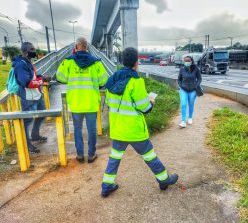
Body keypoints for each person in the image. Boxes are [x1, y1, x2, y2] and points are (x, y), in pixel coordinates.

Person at [101, 47, 178, 198]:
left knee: (114, 158)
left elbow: (109, 103)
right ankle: (163, 180)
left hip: (118, 129)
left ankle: (106, 185)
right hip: (135, 130)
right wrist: (151, 102)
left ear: (123, 61)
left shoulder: (111, 81)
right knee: (149, 156)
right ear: (136, 63)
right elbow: (145, 108)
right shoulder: (136, 82)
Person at [56, 37, 108, 163]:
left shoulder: (68, 61)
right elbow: (104, 80)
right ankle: (91, 154)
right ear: (87, 47)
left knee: (77, 129)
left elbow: (60, 77)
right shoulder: (96, 62)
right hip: (91, 102)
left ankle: (79, 155)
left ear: (76, 47)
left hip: (75, 103)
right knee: (92, 129)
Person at [13, 42, 48, 154]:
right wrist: (42, 80)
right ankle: (27, 144)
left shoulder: (28, 62)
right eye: (32, 49)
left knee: (42, 115)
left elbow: (32, 76)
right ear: (25, 51)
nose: (34, 51)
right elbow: (27, 83)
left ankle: (35, 135)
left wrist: (40, 77)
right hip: (28, 98)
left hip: (37, 95)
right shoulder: (20, 65)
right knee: (27, 122)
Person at [177, 56, 202, 128]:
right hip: (183, 90)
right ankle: (183, 121)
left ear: (191, 61)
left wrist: (196, 85)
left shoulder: (196, 69)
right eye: (185, 61)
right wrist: (181, 85)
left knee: (191, 104)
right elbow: (179, 79)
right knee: (183, 104)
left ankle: (190, 117)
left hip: (193, 90)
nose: (187, 62)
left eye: (188, 61)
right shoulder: (182, 69)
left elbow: (199, 78)